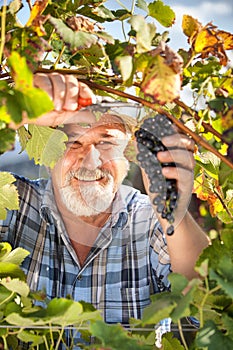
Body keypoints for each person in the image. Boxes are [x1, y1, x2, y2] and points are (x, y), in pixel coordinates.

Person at [0, 73, 209, 338]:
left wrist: (174, 214)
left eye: (107, 142)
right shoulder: (11, 202)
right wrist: (14, 111)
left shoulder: (150, 219)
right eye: (72, 142)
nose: (91, 160)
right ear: (46, 151)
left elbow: (206, 300)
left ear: (129, 154)